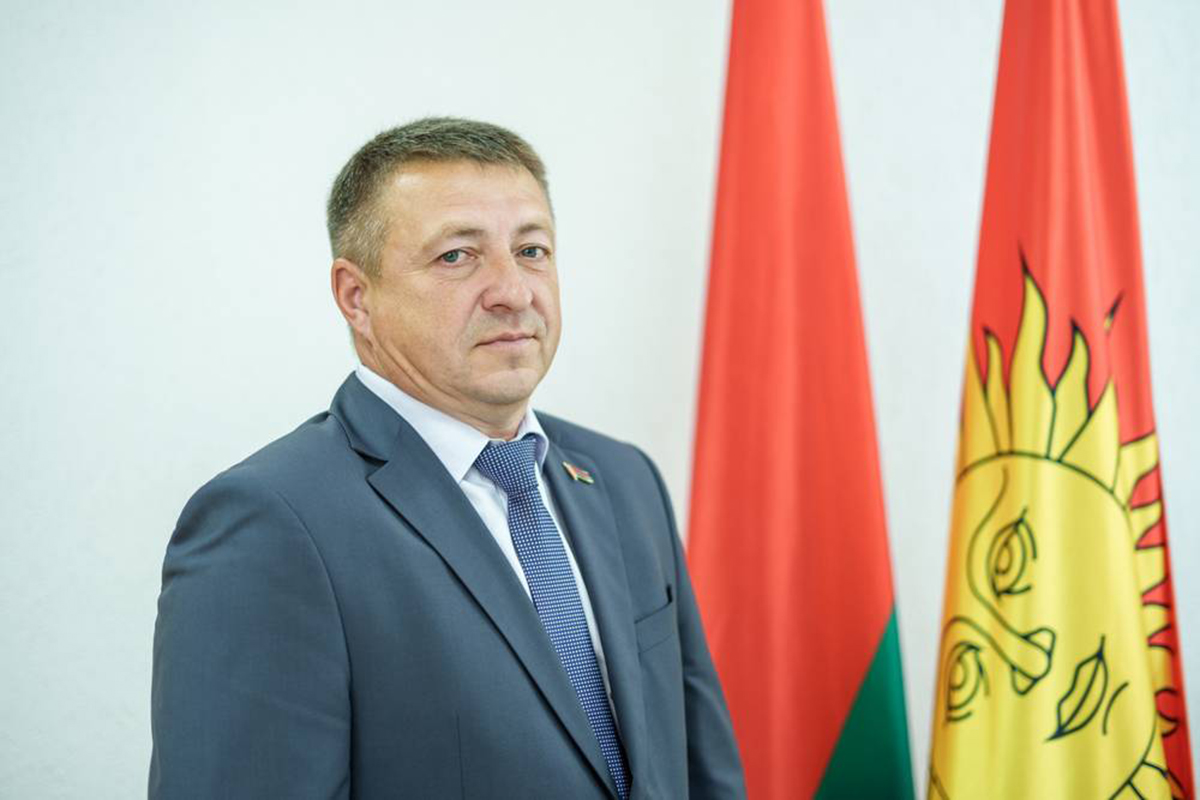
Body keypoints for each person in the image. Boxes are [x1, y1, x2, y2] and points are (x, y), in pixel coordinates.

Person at [148, 117, 746, 799]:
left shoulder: (623, 478)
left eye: (531, 250)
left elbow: (702, 769)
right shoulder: (270, 523)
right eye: (457, 256)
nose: (514, 291)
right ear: (356, 297)